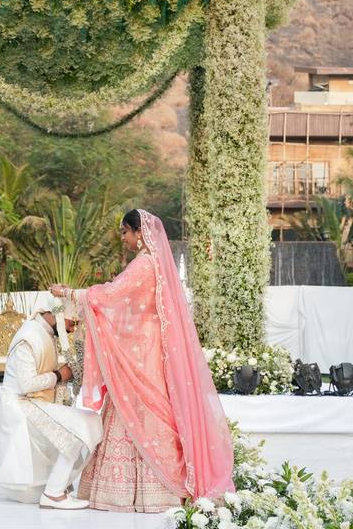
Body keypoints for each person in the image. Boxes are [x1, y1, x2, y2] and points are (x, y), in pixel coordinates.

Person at [50, 208, 234, 512]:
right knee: (143, 406)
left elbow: (110, 294)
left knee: (135, 406)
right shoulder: (157, 263)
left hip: (142, 350)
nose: (123, 238)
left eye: (125, 232)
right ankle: (155, 491)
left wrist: (68, 293)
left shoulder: (144, 264)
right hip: (147, 346)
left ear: (139, 233)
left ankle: (132, 492)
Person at [0, 310, 103, 510]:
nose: (73, 328)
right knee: (81, 428)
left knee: (28, 493)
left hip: (32, 404)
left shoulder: (44, 332)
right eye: (73, 322)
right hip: (20, 407)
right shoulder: (28, 337)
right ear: (57, 312)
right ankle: (54, 493)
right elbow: (26, 384)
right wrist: (59, 375)